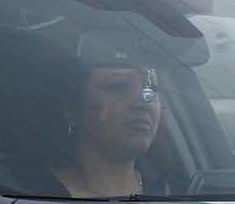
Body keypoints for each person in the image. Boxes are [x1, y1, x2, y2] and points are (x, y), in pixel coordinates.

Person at [53, 63, 168, 197]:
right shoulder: (36, 196)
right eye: (119, 87)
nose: (144, 102)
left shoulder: (176, 192)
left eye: (151, 88)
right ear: (72, 111)